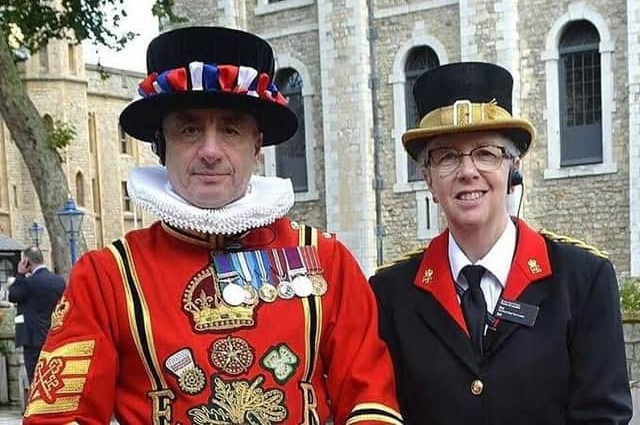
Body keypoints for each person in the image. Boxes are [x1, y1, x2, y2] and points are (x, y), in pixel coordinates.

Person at [23, 26, 402, 425]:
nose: (209, 150)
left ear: (256, 144)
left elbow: (371, 400)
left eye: (230, 128)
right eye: (189, 129)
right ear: (160, 144)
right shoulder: (105, 276)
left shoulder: (327, 260)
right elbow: (59, 416)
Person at [370, 62, 632, 425]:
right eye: (447, 156)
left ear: (513, 170)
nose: (467, 171)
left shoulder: (583, 280)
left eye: (486, 153)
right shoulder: (390, 293)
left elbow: (603, 416)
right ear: (428, 180)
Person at [8, 246, 65, 384]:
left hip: (32, 338)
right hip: (53, 336)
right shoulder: (59, 281)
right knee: (52, 378)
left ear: (26, 261)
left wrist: (20, 274)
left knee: (35, 379)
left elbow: (13, 295)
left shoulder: (28, 283)